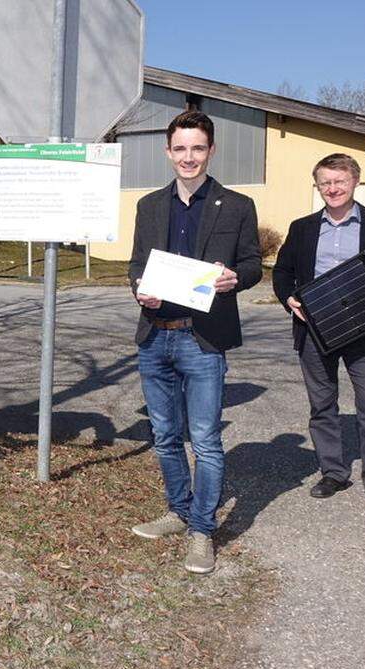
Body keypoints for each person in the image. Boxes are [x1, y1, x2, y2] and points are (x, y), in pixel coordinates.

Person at [127, 111, 261, 574]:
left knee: (204, 439)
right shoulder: (149, 206)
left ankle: (202, 530)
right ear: (168, 152)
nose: (188, 157)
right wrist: (138, 287)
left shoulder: (237, 205)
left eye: (197, 148)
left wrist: (235, 279)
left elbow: (252, 264)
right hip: (155, 337)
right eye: (180, 149)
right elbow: (135, 266)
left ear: (211, 151)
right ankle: (178, 510)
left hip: (203, 340)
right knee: (165, 437)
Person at [272, 153, 365, 514]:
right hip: (314, 327)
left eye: (340, 182)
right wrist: (289, 299)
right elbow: (283, 271)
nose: (332, 189)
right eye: (325, 183)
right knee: (322, 405)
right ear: (317, 186)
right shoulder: (301, 227)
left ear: (354, 182)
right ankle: (333, 472)